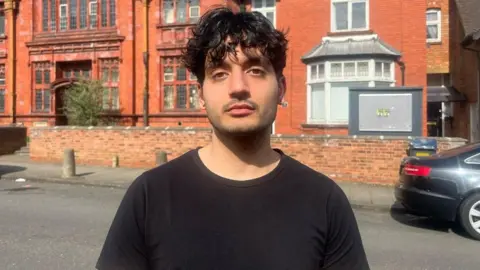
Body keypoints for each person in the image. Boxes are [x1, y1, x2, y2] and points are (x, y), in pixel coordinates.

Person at [96, 6, 370, 270]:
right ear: (201, 95)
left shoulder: (324, 200)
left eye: (255, 71)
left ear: (281, 89)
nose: (238, 87)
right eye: (219, 73)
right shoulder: (149, 195)